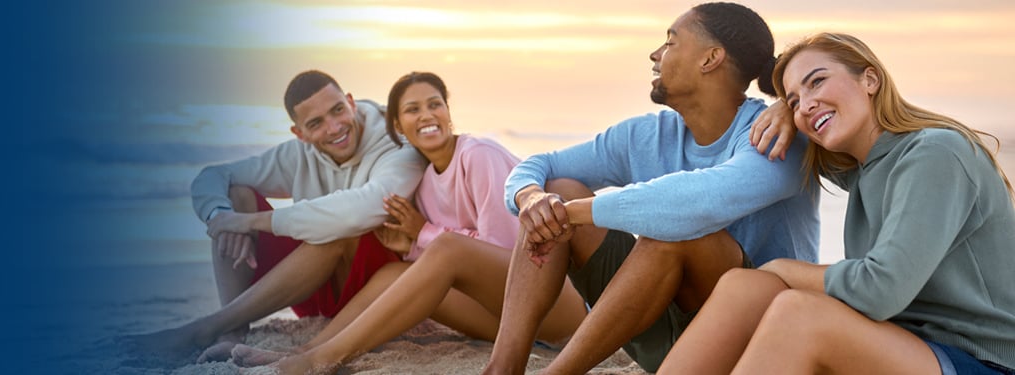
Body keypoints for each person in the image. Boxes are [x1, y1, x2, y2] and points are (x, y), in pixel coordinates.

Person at [483, 3, 820, 374]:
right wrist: (530, 198)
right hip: (655, 327)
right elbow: (538, 166)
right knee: (556, 187)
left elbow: (697, 203)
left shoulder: (775, 136)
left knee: (679, 232)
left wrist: (569, 213)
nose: (655, 55)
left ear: (710, 59)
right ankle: (503, 368)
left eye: (671, 42)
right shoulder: (646, 135)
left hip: (746, 339)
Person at [659, 32, 1015, 375]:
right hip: (908, 347)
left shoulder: (935, 153)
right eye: (796, 99)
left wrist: (782, 268)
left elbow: (880, 290)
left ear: (870, 79)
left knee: (799, 312)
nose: (806, 104)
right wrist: (788, 108)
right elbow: (812, 129)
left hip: (982, 361)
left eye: (817, 81)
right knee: (748, 285)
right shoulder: (864, 168)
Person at [234, 72, 587, 373]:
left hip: (556, 307)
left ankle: (321, 360)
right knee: (393, 275)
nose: (427, 115)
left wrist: (425, 234)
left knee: (446, 248)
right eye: (412, 109)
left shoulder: (478, 155)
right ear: (398, 126)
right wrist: (413, 244)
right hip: (505, 322)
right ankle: (305, 353)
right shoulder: (423, 179)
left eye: (435, 104)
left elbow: (511, 253)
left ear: (448, 112)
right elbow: (444, 259)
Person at [124, 70, 427, 364]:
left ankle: (203, 328)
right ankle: (232, 327)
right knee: (237, 194)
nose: (334, 127)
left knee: (337, 228)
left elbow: (368, 206)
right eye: (316, 123)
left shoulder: (395, 137)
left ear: (349, 101)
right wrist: (221, 218)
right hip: (310, 287)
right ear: (300, 133)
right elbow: (214, 175)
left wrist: (252, 222)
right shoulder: (298, 154)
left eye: (338, 110)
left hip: (375, 285)